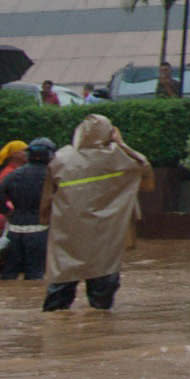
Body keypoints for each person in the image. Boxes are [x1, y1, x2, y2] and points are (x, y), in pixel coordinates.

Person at [42, 115, 151, 311]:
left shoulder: (61, 158)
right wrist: (122, 144)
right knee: (101, 306)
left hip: (68, 236)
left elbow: (46, 201)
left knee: (58, 298)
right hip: (105, 238)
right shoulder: (121, 159)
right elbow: (146, 174)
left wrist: (43, 222)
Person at [0, 139, 51, 280]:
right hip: (39, 230)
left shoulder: (15, 174)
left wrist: (6, 211)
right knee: (35, 275)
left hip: (15, 230)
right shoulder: (51, 176)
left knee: (9, 273)